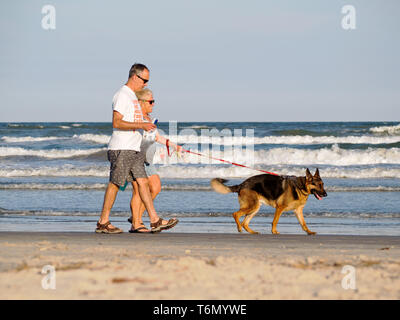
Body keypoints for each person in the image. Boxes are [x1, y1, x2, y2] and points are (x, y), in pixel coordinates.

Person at [96, 63, 178, 234]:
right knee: (115, 184)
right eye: (144, 80)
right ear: (135, 76)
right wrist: (142, 124)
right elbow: (116, 122)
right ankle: (103, 222)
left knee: (143, 182)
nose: (146, 84)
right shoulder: (122, 95)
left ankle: (154, 221)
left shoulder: (133, 97)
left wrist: (148, 127)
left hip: (134, 149)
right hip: (122, 147)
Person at [128, 88, 182, 233]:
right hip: (136, 158)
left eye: (154, 101)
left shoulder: (148, 119)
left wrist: (174, 146)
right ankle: (136, 222)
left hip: (147, 160)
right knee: (138, 191)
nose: (153, 104)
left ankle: (136, 217)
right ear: (141, 102)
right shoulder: (136, 117)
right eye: (151, 101)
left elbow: (157, 137)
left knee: (155, 187)